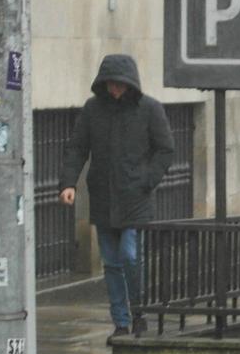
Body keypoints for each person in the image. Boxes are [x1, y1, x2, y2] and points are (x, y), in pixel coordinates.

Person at [58, 55, 175, 338]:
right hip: (103, 197)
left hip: (136, 198)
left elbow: (165, 150)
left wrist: (147, 180)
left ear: (129, 84)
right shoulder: (92, 110)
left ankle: (139, 311)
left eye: (119, 85)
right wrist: (69, 183)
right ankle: (121, 322)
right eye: (110, 84)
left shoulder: (149, 109)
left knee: (130, 255)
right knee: (111, 263)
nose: (114, 90)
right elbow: (77, 148)